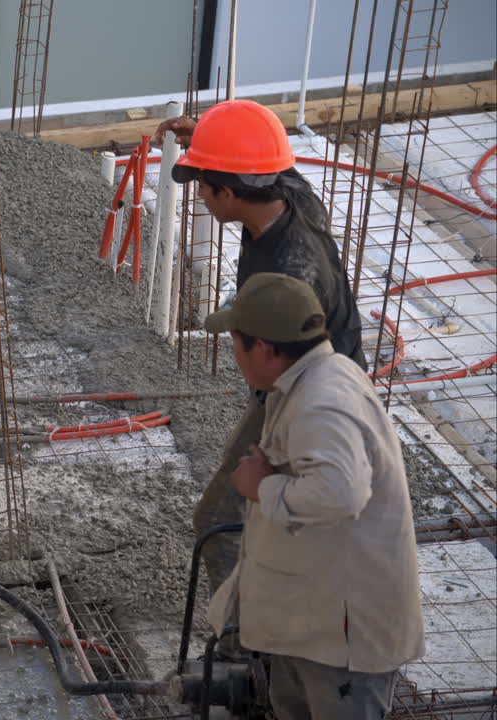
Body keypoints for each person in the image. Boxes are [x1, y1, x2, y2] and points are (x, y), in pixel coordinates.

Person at [155, 100, 366, 591]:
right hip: (307, 379)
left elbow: (283, 376)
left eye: (204, 187)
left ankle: (245, 651)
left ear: (228, 193)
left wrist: (268, 467)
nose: (201, 198)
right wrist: (206, 140)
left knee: (220, 524)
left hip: (304, 395)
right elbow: (261, 156)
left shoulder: (290, 274)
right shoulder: (290, 193)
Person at [202, 272, 424, 720]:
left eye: (236, 341)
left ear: (263, 348)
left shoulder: (322, 402)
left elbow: (341, 493)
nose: (233, 353)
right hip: (315, 623)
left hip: (343, 641)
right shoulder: (314, 377)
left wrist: (261, 486)